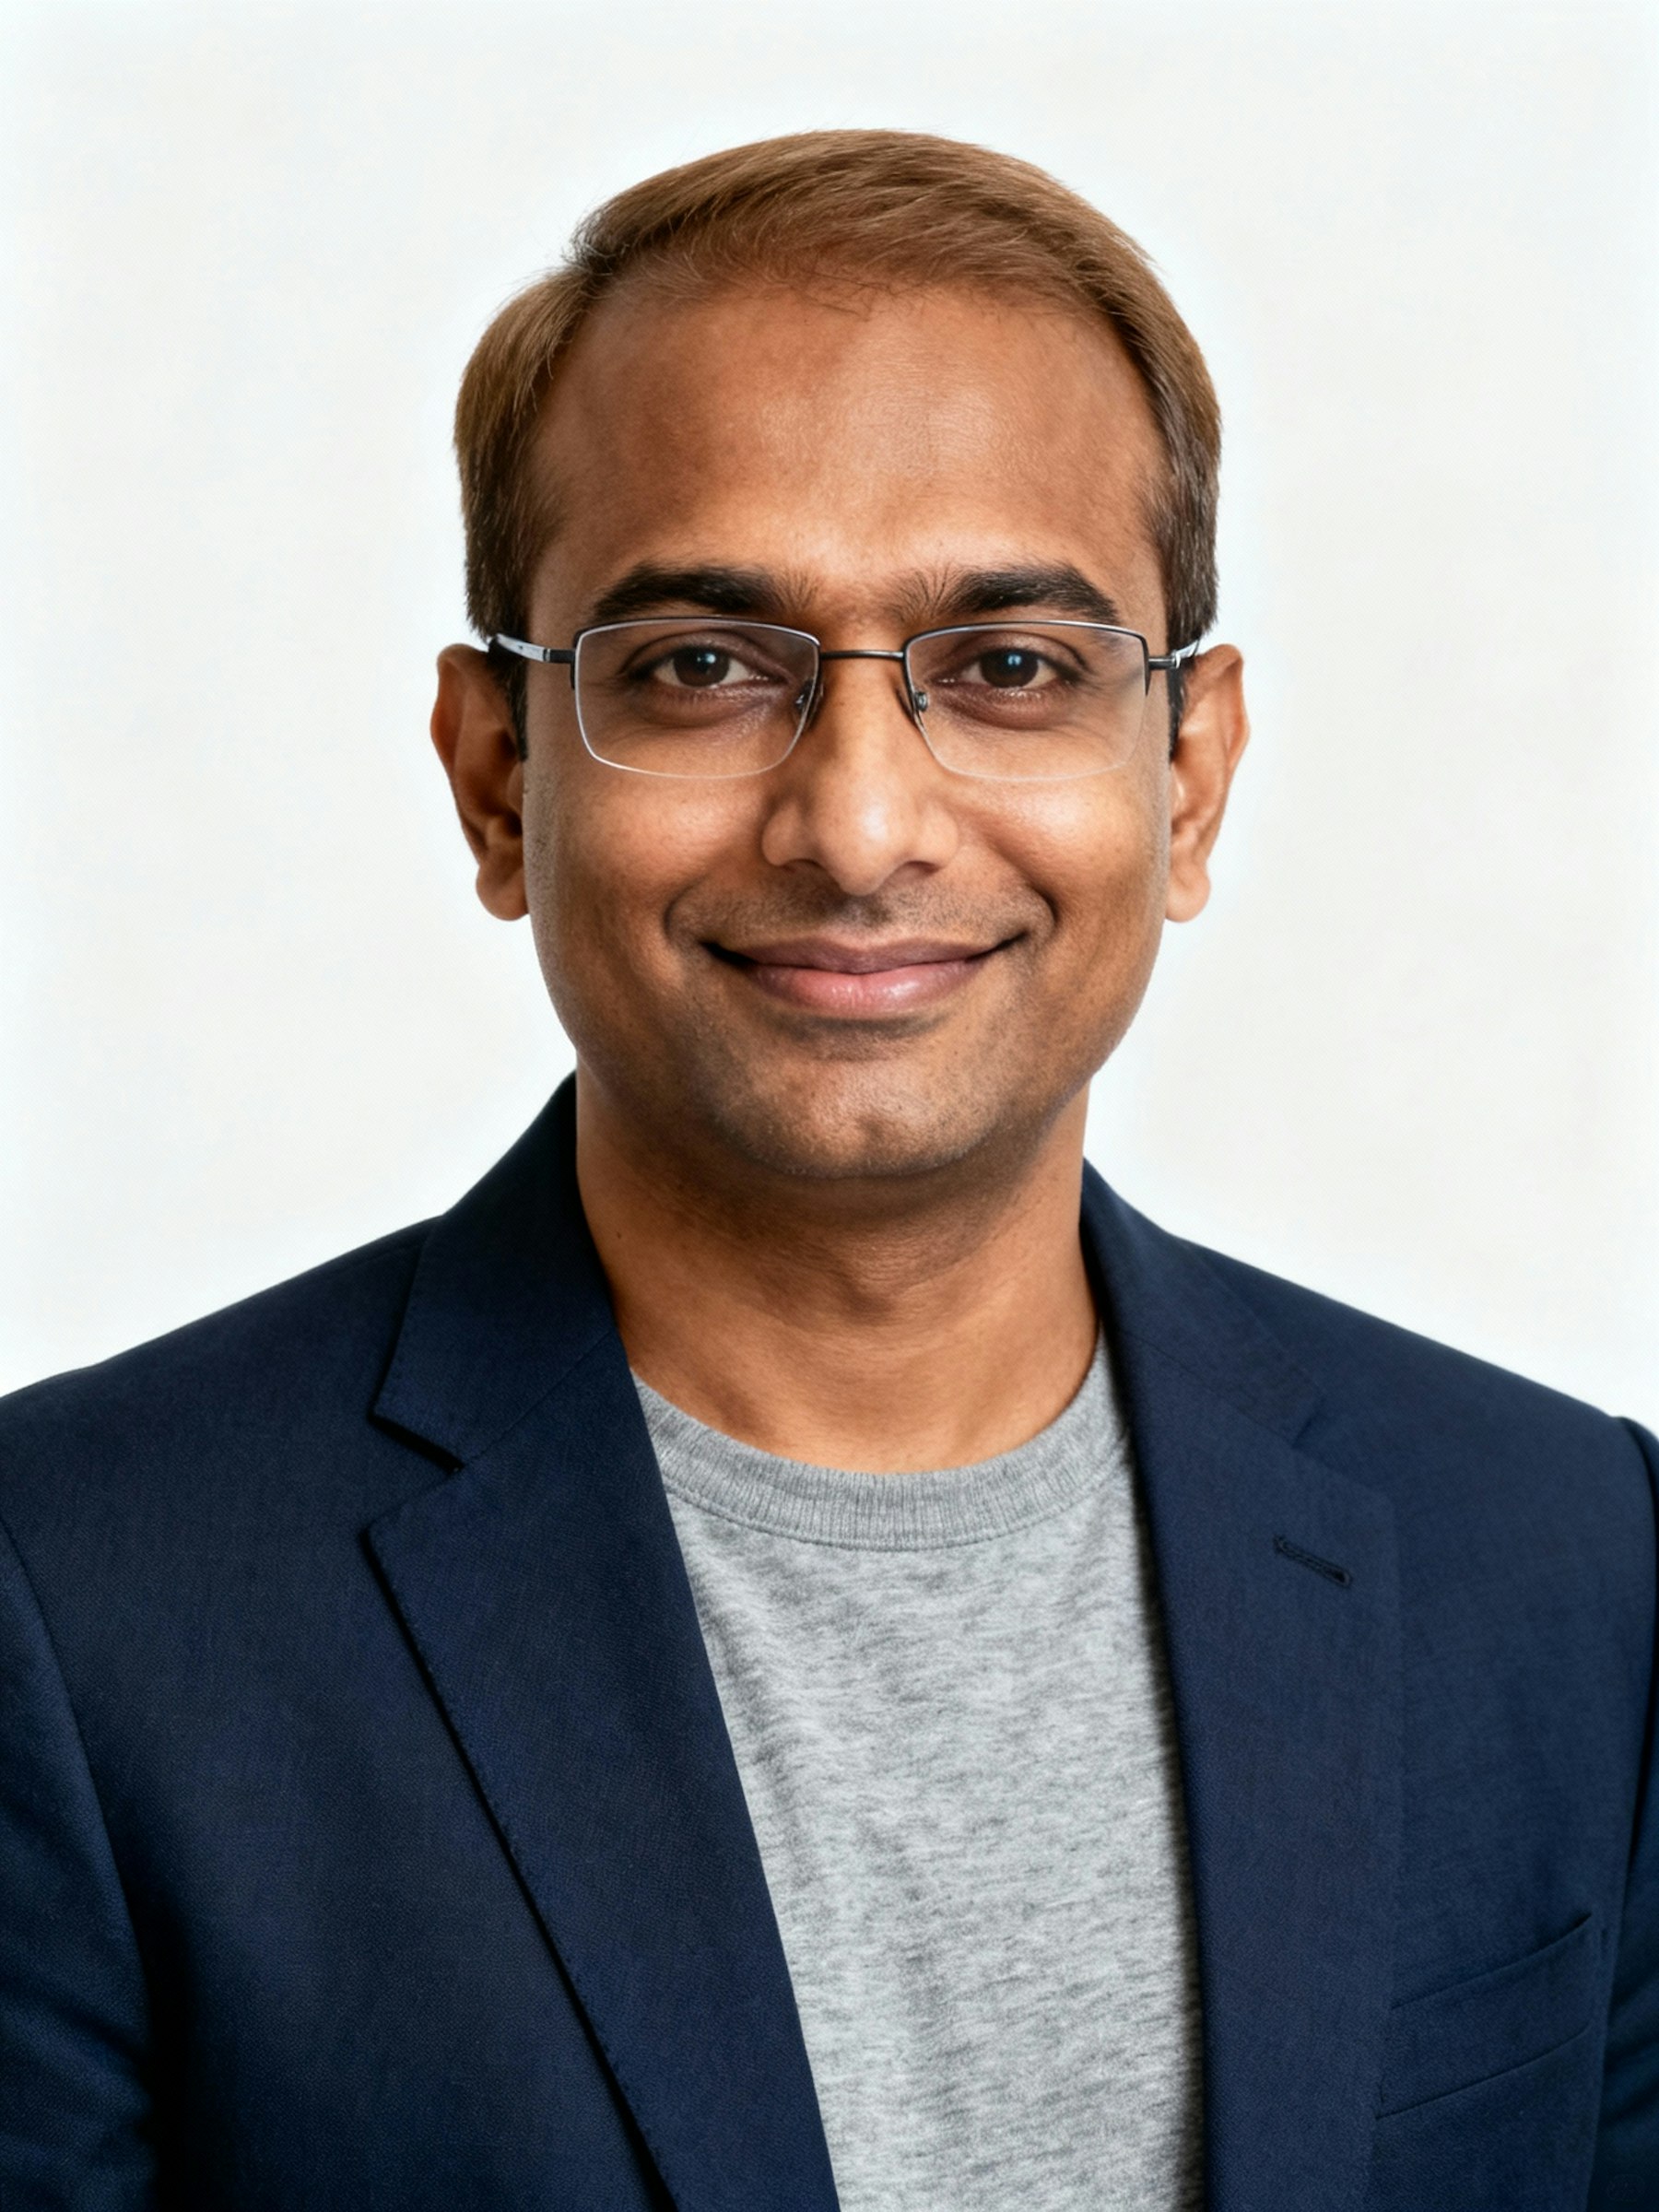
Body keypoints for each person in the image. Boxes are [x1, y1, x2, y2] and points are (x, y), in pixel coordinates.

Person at [0, 128, 1653, 2212]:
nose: (862, 825)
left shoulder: (1570, 1564)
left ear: (1189, 776)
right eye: (699, 668)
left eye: (1013, 669)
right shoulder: (73, 1597)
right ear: (501, 782)